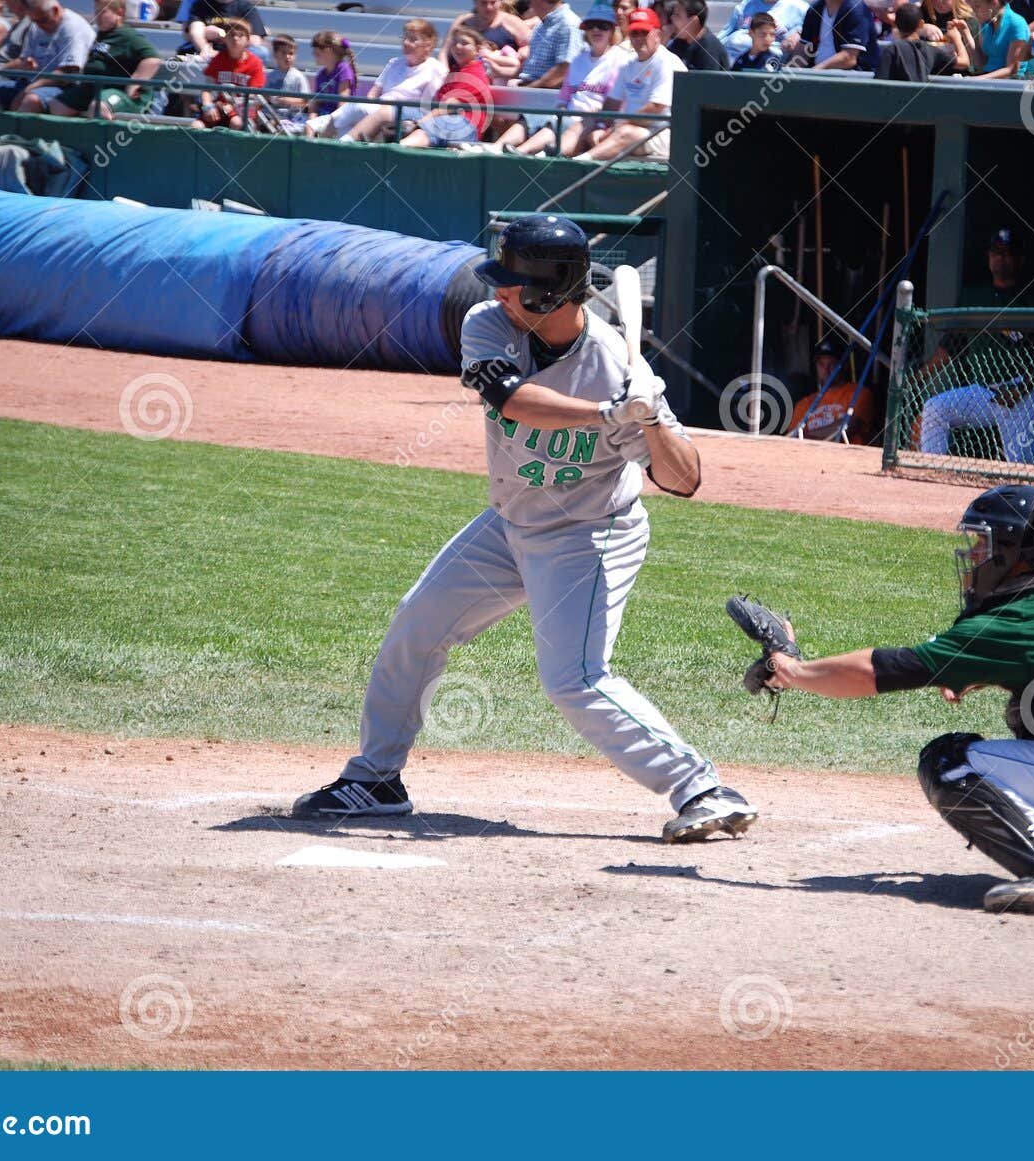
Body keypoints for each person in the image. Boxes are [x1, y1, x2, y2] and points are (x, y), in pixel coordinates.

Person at [292, 215, 759, 846]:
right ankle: (376, 778)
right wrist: (606, 413)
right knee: (418, 625)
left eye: (514, 283)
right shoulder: (487, 324)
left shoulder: (614, 367)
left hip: (588, 537)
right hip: (509, 524)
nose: (499, 291)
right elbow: (508, 398)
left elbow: (685, 480)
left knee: (575, 679)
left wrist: (651, 423)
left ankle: (701, 787)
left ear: (549, 291)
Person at [754, 484, 1034, 916]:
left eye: (984, 544)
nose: (974, 555)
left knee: (949, 762)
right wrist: (996, 673)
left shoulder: (1019, 618)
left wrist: (792, 671)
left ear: (1016, 553)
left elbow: (885, 670)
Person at [916, 229, 1034, 465]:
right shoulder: (973, 295)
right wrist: (916, 378)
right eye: (996, 252)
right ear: (989, 257)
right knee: (935, 410)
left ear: (1020, 260)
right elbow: (949, 348)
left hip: (1025, 390)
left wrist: (1020, 392)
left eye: (1008, 253)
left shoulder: (1033, 298)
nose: (1001, 258)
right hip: (986, 392)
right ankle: (934, 473)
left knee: (1020, 468)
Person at [495, 3, 627, 156]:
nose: (596, 30)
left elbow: (614, 103)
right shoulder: (579, 60)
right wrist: (562, 111)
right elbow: (564, 97)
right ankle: (498, 147)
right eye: (591, 26)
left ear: (612, 31)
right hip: (569, 114)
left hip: (594, 120)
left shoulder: (620, 60)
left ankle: (523, 153)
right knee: (535, 116)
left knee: (562, 122)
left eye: (603, 26)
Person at [305, 20, 445, 141]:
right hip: (377, 108)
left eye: (413, 39)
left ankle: (321, 131)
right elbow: (374, 92)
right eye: (405, 38)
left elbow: (427, 106)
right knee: (353, 117)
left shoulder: (436, 69)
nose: (406, 43)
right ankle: (330, 147)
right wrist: (371, 104)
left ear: (428, 45)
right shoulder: (394, 62)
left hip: (402, 114)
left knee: (357, 107)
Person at [581, 6, 681, 160]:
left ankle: (582, 162)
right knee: (584, 124)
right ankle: (547, 156)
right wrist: (600, 127)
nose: (639, 38)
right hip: (631, 131)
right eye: (635, 33)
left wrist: (615, 127)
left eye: (644, 33)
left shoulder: (667, 62)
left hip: (666, 135)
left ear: (658, 35)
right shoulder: (628, 64)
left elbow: (655, 108)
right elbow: (612, 104)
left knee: (625, 132)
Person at [49, 0, 159, 117]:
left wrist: (134, 83)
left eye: (103, 12)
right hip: (93, 87)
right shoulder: (102, 35)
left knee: (98, 108)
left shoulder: (129, 36)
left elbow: (153, 60)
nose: (98, 17)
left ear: (119, 13)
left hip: (118, 90)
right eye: (96, 12)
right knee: (57, 105)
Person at [0, 0, 94, 112]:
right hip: (32, 81)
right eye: (35, 21)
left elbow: (67, 73)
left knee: (31, 100)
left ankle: (17, 129)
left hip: (65, 86)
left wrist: (27, 90)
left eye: (43, 20)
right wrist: (0, 69)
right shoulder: (37, 24)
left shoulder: (73, 28)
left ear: (55, 10)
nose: (40, 25)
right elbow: (24, 58)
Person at [401, 26, 494, 147]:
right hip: (445, 117)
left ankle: (395, 150)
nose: (457, 47)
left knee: (427, 129)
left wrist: (419, 123)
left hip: (466, 124)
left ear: (477, 49)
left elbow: (448, 107)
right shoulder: (455, 70)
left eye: (464, 43)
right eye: (455, 42)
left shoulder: (475, 74)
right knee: (393, 113)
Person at [788, 337, 878, 442]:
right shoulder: (804, 404)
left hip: (847, 457)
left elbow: (847, 426)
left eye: (832, 364)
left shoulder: (859, 393)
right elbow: (793, 440)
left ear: (844, 367)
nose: (826, 370)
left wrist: (806, 435)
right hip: (811, 457)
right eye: (821, 364)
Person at [193, 16, 263, 128]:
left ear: (247, 40)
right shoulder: (218, 59)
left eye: (240, 35)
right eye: (231, 34)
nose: (235, 38)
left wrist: (233, 107)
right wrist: (207, 105)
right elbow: (207, 88)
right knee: (196, 126)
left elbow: (254, 95)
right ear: (224, 38)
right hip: (218, 109)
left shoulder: (255, 63)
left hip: (242, 111)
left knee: (236, 122)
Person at [877, 0, 968, 78]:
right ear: (921, 24)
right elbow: (964, 62)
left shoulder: (891, 50)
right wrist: (957, 38)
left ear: (896, 24)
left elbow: (880, 80)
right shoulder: (930, 50)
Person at [786, 0, 877, 70]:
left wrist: (813, 72)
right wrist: (789, 74)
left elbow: (849, 58)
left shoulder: (857, 9)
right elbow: (802, 49)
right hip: (818, 77)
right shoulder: (815, 8)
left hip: (853, 78)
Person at [446, 0, 532, 67]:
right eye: (483, 3)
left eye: (493, 2)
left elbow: (532, 46)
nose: (489, 7)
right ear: (475, 3)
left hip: (497, 77)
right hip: (460, 74)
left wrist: (523, 52)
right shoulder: (463, 21)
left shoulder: (512, 22)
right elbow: (445, 52)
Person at [719, 0, 807, 59]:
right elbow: (722, 39)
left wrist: (799, 33)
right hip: (740, 66)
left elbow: (817, 33)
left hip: (775, 69)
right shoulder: (745, 6)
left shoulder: (800, 7)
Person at [961, 0, 1027, 78]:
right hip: (987, 78)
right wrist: (965, 33)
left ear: (994, 3)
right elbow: (981, 64)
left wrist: (976, 79)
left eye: (977, 6)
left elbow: (1012, 70)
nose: (973, 11)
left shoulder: (1017, 24)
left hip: (1010, 83)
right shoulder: (985, 24)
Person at [184, 0, 264, 56]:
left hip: (236, 55)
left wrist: (221, 34)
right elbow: (195, 32)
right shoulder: (200, 5)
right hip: (208, 53)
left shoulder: (246, 7)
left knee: (260, 52)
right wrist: (206, 50)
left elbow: (255, 40)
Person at [261, 32, 311, 122]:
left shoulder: (299, 77)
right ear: (275, 54)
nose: (287, 57)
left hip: (292, 116)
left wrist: (286, 100)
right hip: (271, 115)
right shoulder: (270, 76)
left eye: (291, 53)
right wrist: (272, 98)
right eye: (283, 53)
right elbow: (264, 96)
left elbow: (305, 101)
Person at [308, 30, 357, 117]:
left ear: (328, 51)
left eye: (317, 52)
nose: (313, 54)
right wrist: (312, 119)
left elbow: (342, 102)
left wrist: (330, 123)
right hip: (322, 116)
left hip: (339, 118)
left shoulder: (343, 69)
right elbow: (315, 103)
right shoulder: (321, 74)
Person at [667, 0, 729, 68]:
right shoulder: (679, 42)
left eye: (677, 15)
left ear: (693, 21)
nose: (672, 18)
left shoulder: (709, 49)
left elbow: (708, 78)